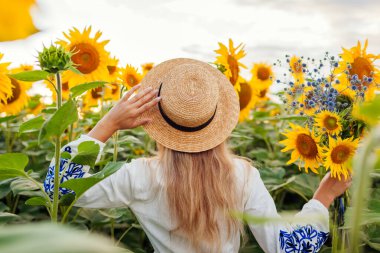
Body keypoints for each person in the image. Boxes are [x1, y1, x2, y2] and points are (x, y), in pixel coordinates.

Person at [44, 58, 351, 253]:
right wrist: (323, 198)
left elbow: (58, 191)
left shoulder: (140, 176)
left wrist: (107, 124)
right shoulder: (242, 176)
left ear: (158, 120)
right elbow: (289, 248)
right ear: (218, 121)